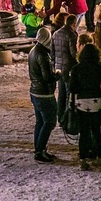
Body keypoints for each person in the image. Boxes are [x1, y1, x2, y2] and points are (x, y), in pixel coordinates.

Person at [69, 43, 101, 170]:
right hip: (96, 102)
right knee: (96, 131)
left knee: (84, 132)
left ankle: (83, 160)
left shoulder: (76, 69)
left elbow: (72, 88)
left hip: (82, 102)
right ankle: (100, 159)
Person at [28, 26, 58, 163]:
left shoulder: (33, 51)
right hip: (44, 93)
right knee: (49, 121)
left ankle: (40, 149)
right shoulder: (43, 54)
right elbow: (47, 77)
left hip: (34, 91)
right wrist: (57, 75)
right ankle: (39, 151)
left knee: (40, 122)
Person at [52, 13, 79, 124]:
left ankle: (59, 117)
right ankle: (66, 118)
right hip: (68, 68)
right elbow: (73, 54)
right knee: (69, 94)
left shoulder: (56, 34)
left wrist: (54, 66)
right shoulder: (71, 35)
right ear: (74, 23)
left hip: (58, 67)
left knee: (61, 93)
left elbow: (52, 52)